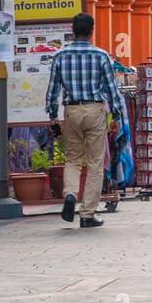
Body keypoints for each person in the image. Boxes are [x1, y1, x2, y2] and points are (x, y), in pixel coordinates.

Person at [46, 12, 129, 228]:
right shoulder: (101, 56)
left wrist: (53, 115)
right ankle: (87, 214)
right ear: (92, 30)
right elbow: (113, 90)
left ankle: (70, 193)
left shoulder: (60, 56)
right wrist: (118, 115)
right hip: (94, 110)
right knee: (95, 163)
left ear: (73, 31)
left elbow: (52, 90)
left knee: (73, 159)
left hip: (71, 110)